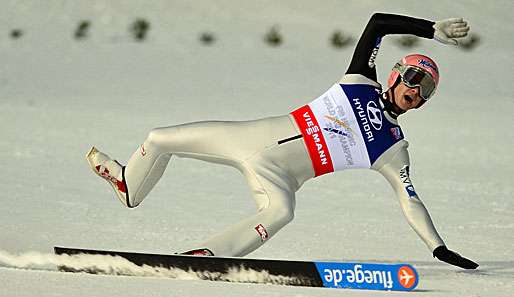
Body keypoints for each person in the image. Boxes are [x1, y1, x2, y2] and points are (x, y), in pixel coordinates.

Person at [86, 13, 478, 269]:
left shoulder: (393, 147)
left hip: (281, 178)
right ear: (394, 75)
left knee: (280, 212)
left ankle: (206, 257)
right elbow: (376, 24)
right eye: (413, 78)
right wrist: (429, 31)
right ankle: (127, 184)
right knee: (159, 138)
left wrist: (437, 247)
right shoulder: (359, 80)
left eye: (426, 89)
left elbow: (410, 200)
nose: (416, 90)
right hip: (248, 139)